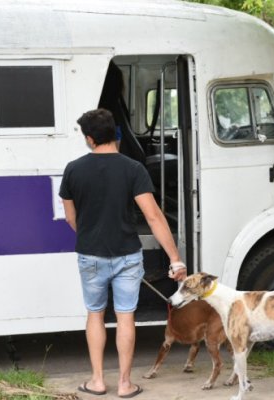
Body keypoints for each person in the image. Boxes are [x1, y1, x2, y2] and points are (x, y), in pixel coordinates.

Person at [59, 108, 186, 398]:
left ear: (90, 139)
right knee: (125, 316)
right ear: (114, 134)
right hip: (128, 254)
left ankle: (97, 381)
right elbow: (153, 216)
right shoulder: (133, 169)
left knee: (95, 314)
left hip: (90, 254)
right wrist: (175, 258)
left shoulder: (74, 169)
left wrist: (89, 234)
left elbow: (69, 217)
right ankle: (125, 384)